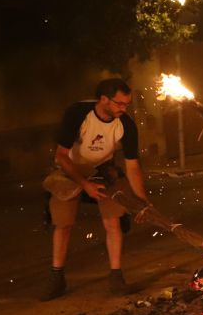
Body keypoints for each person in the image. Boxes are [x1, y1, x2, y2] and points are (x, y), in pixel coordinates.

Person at [42, 78, 150, 300]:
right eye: (119, 103)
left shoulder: (126, 124)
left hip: (103, 169)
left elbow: (132, 166)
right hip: (70, 168)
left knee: (113, 221)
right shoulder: (77, 113)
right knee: (63, 223)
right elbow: (60, 156)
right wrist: (85, 185)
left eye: (126, 104)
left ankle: (116, 276)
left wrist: (141, 201)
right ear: (103, 99)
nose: (124, 108)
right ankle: (57, 277)